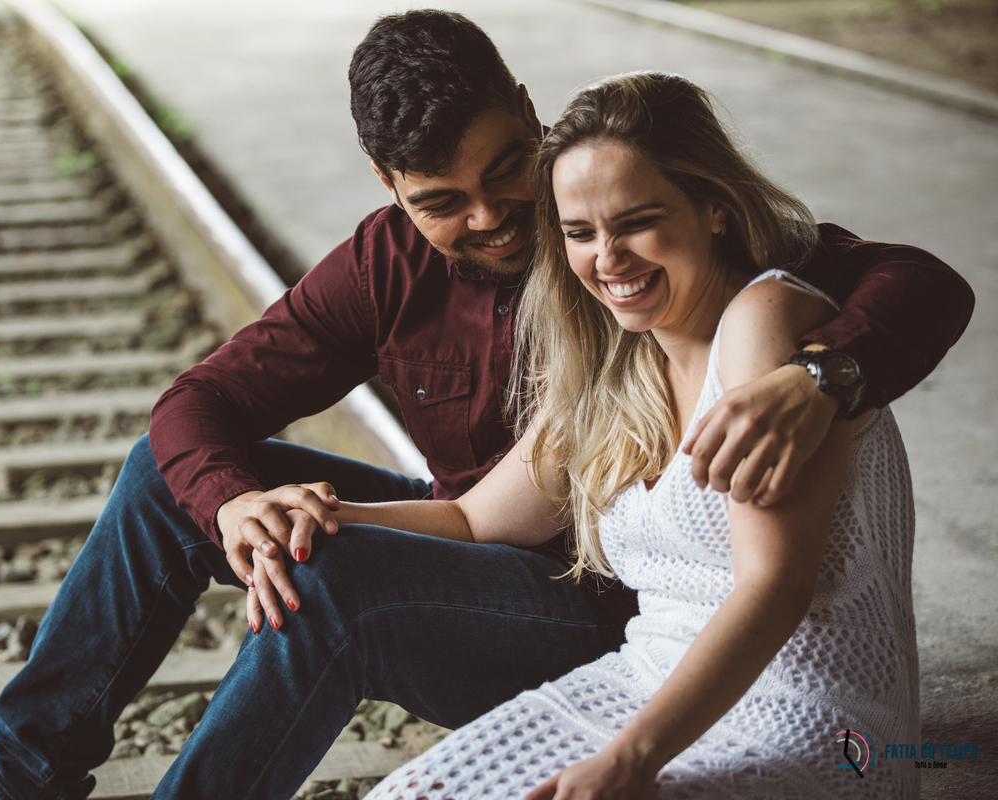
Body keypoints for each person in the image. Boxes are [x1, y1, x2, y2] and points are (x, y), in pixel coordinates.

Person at [0, 10, 968, 800]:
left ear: (528, 110)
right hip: (484, 548)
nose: (496, 217)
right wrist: (259, 511)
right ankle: (18, 780)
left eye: (510, 170)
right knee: (181, 480)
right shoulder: (405, 270)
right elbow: (208, 406)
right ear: (388, 184)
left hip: (605, 607)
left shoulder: (624, 212)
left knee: (335, 588)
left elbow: (913, 281)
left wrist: (822, 376)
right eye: (441, 201)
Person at [345, 70, 919, 800]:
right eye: (580, 233)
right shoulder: (619, 364)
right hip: (639, 687)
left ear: (712, 206)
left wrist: (631, 760)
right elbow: (470, 518)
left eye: (636, 221)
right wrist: (322, 515)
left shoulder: (764, 319)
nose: (607, 260)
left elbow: (775, 585)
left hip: (813, 723)